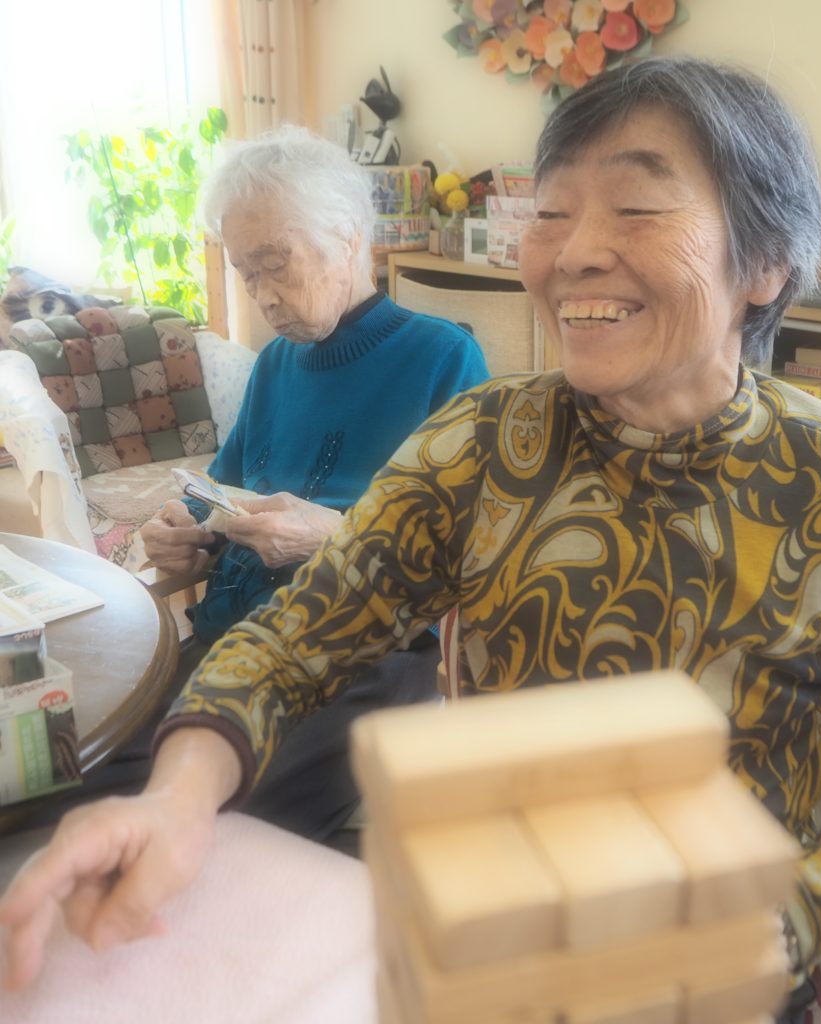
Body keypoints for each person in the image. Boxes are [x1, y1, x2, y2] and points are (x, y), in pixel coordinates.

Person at [0, 58, 821, 1022]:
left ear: (765, 264)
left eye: (636, 207)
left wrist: (786, 927)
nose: (574, 252)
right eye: (550, 212)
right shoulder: (485, 443)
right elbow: (296, 639)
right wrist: (176, 799)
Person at [16, 124, 490, 840]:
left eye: (276, 263)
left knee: (182, 833)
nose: (263, 294)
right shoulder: (276, 364)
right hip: (231, 645)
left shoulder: (443, 357)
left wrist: (331, 536)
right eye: (246, 273)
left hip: (357, 657)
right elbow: (219, 496)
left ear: (349, 237)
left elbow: (467, 553)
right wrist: (186, 533)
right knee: (50, 778)